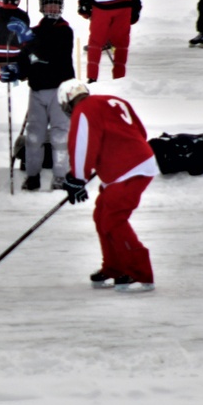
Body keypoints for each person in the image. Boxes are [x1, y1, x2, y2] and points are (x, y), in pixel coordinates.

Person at [57, 78, 159, 293]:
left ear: (66, 102)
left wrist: (78, 177)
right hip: (135, 164)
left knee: (113, 218)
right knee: (102, 213)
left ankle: (139, 272)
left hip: (130, 170)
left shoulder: (83, 111)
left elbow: (82, 145)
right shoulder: (111, 100)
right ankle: (114, 267)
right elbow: (139, 132)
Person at [0, 0, 75, 191]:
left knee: (60, 137)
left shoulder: (65, 31)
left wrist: (29, 40)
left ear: (61, 7)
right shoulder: (33, 32)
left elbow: (52, 54)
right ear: (42, 7)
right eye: (49, 4)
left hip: (60, 92)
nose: (52, 7)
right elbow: (27, 60)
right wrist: (16, 70)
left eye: (56, 4)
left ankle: (60, 177)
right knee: (34, 136)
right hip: (37, 91)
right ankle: (32, 176)